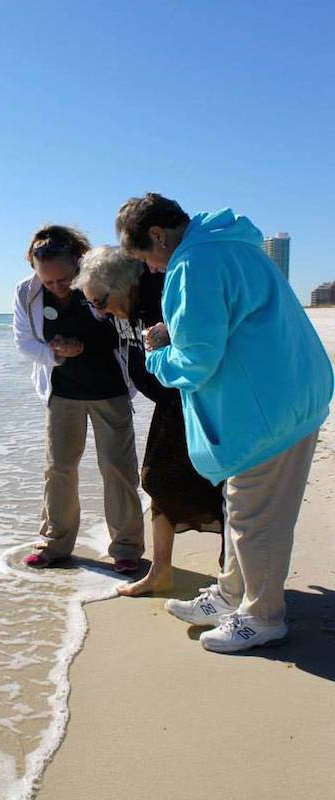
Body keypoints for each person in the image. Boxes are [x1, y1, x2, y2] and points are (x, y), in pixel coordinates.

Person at [116, 193, 333, 653]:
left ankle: (262, 617)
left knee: (256, 518)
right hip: (286, 392)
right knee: (242, 509)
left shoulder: (196, 264)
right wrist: (176, 329)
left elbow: (196, 363)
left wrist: (155, 355)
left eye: (145, 257)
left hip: (268, 412)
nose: (150, 269)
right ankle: (232, 595)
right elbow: (232, 320)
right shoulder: (228, 245)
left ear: (158, 235)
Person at [73, 246, 224, 596]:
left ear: (123, 283)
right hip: (168, 404)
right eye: (92, 303)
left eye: (100, 301)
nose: (100, 311)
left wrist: (171, 334)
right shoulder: (119, 307)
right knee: (156, 480)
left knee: (219, 487)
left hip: (200, 399)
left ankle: (230, 576)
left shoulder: (162, 292)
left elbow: (207, 334)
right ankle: (160, 571)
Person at [12, 225, 145, 571]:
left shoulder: (101, 277)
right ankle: (54, 543)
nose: (56, 287)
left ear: (78, 262)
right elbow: (24, 341)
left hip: (110, 388)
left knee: (117, 468)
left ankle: (127, 548)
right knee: (59, 468)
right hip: (63, 392)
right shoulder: (27, 293)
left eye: (64, 279)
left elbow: (127, 322)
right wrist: (56, 353)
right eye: (48, 281)